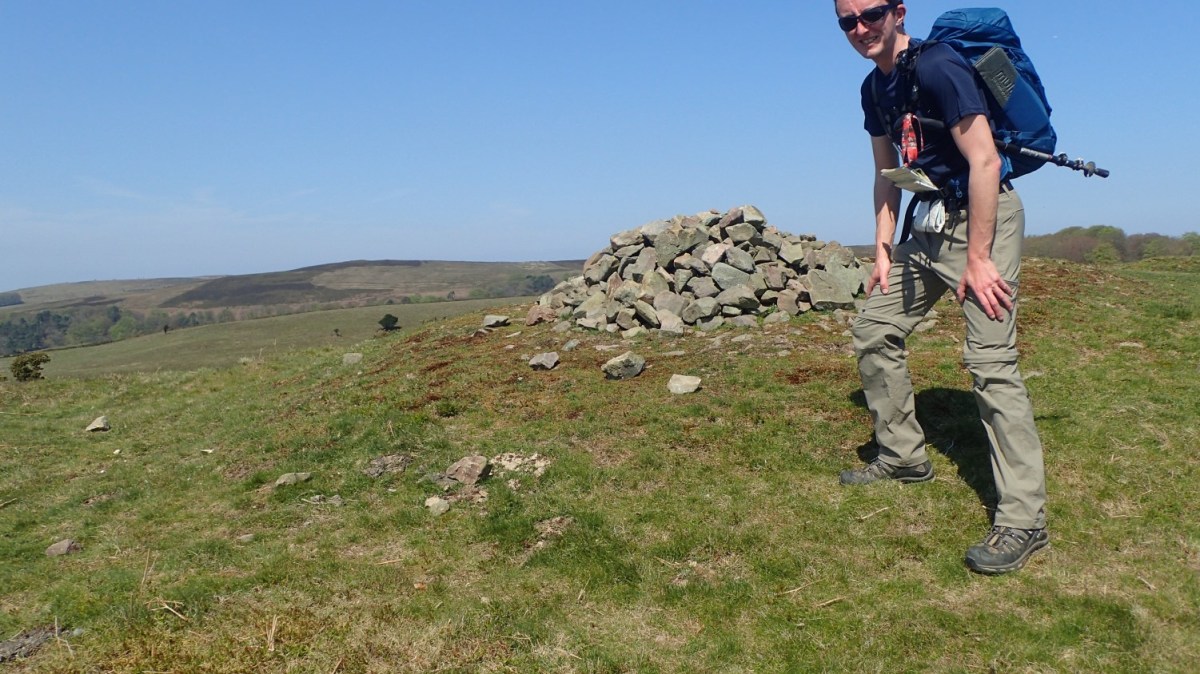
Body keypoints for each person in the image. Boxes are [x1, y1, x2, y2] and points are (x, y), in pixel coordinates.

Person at [833, 0, 1049, 575]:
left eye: (869, 14)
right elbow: (887, 172)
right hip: (926, 227)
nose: (860, 29)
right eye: (846, 21)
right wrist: (882, 249)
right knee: (874, 329)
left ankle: (1025, 520)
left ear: (898, 12)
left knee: (990, 362)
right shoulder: (872, 89)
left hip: (982, 220)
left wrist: (979, 258)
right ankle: (902, 457)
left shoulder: (940, 67)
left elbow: (983, 161)